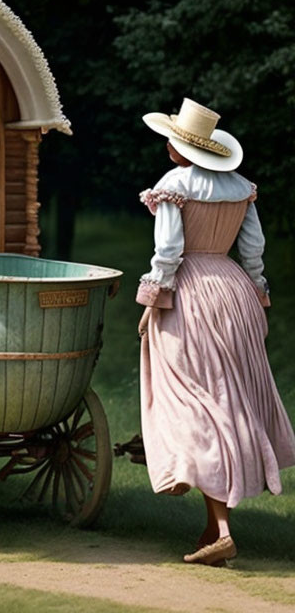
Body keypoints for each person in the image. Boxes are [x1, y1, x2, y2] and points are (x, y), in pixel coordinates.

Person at [136, 97, 295, 566]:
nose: (167, 145)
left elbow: (168, 251)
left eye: (173, 139)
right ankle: (213, 527)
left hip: (192, 293)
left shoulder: (175, 185)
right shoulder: (241, 188)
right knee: (227, 396)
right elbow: (254, 249)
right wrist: (258, 295)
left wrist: (152, 300)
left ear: (184, 148)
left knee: (197, 401)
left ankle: (221, 527)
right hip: (234, 290)